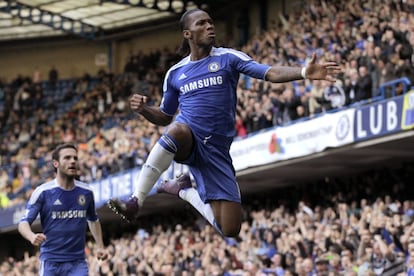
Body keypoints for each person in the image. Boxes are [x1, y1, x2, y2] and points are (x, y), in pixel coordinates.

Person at [108, 8, 340, 238]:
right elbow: (165, 117)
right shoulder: (175, 74)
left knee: (230, 229)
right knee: (177, 129)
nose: (209, 26)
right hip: (189, 139)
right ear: (187, 34)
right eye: (201, 23)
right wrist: (145, 110)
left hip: (217, 151)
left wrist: (303, 72)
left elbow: (269, 73)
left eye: (210, 22)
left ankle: (183, 191)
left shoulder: (228, 58)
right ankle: (136, 200)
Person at [18, 143, 107, 275]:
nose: (72, 161)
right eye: (67, 158)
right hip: (50, 262)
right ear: (56, 163)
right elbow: (23, 223)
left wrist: (100, 245)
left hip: (77, 262)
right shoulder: (43, 192)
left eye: (75, 158)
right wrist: (31, 236)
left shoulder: (86, 192)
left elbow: (93, 220)